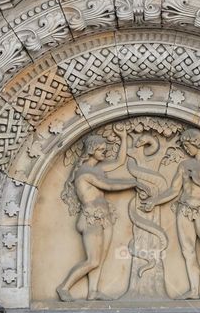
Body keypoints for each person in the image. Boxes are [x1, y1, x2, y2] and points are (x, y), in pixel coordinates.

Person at [141, 128, 200, 300]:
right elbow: (173, 190)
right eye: (184, 146)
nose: (186, 149)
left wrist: (199, 180)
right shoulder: (184, 165)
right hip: (184, 210)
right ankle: (194, 291)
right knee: (188, 252)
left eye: (188, 145)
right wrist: (154, 201)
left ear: (196, 143)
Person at [58, 128, 150, 301]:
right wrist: (135, 183)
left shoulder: (99, 168)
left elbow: (120, 161)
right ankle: (64, 287)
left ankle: (93, 291)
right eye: (101, 149)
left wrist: (123, 138)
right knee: (93, 260)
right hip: (91, 218)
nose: (105, 152)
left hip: (105, 218)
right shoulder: (85, 172)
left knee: (100, 259)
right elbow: (108, 185)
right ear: (92, 150)